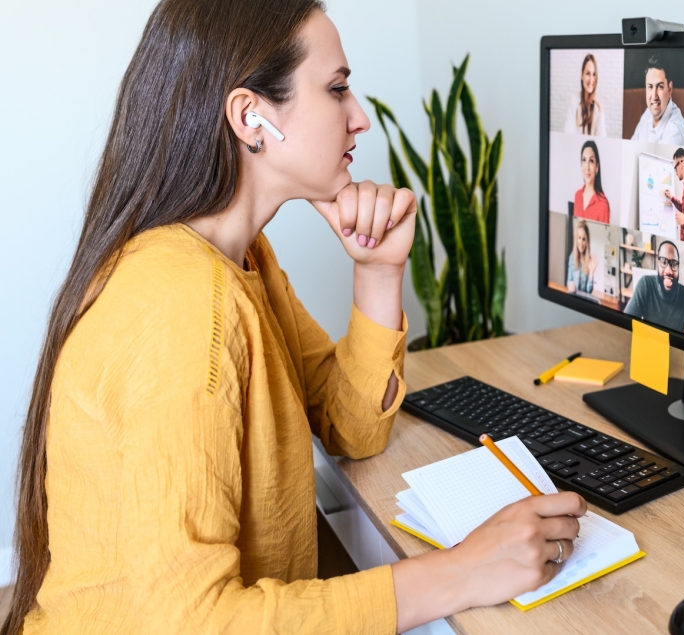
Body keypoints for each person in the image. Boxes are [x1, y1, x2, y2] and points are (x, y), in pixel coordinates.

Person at [3, 2, 586, 634]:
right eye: (336, 89)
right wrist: (462, 570)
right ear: (252, 116)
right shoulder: (178, 303)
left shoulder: (242, 258)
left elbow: (352, 427)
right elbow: (191, 624)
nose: (360, 117)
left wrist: (379, 272)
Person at [624, 241, 684, 337]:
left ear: (678, 267)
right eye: (663, 262)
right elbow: (626, 325)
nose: (668, 270)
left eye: (673, 264)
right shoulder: (645, 285)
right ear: (658, 264)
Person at [629, 54, 684, 146]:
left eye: (660, 86)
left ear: (669, 89)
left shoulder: (674, 132)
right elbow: (630, 148)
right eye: (650, 86)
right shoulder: (648, 114)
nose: (654, 96)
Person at [563, 53, 606, 136]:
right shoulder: (574, 100)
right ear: (581, 75)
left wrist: (601, 107)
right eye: (587, 73)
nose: (591, 80)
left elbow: (602, 139)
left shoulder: (597, 107)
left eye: (594, 74)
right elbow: (567, 133)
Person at [573, 140, 611, 223]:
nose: (587, 167)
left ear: (597, 166)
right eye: (584, 160)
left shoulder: (603, 204)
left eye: (591, 161)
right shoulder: (577, 195)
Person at [567, 219, 596, 294]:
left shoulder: (589, 261)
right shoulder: (572, 257)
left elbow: (589, 291)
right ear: (576, 239)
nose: (581, 243)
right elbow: (569, 280)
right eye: (579, 238)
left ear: (587, 241)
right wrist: (570, 284)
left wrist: (591, 273)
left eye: (584, 239)